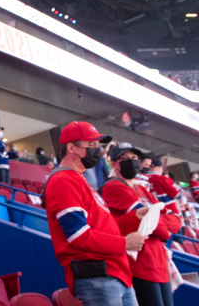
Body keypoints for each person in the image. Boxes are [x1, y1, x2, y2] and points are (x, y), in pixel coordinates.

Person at [43, 121, 147, 306]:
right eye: (91, 145)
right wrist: (124, 243)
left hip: (115, 273)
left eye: (97, 145)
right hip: (98, 276)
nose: (97, 150)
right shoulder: (63, 180)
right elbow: (78, 236)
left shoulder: (80, 180)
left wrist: (134, 217)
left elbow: (104, 228)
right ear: (71, 148)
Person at [101, 142, 181, 306]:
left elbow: (176, 221)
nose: (131, 161)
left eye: (134, 158)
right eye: (125, 158)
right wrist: (164, 232)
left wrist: (160, 224)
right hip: (141, 265)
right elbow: (151, 221)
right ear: (114, 163)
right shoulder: (114, 186)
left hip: (159, 264)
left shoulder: (141, 190)